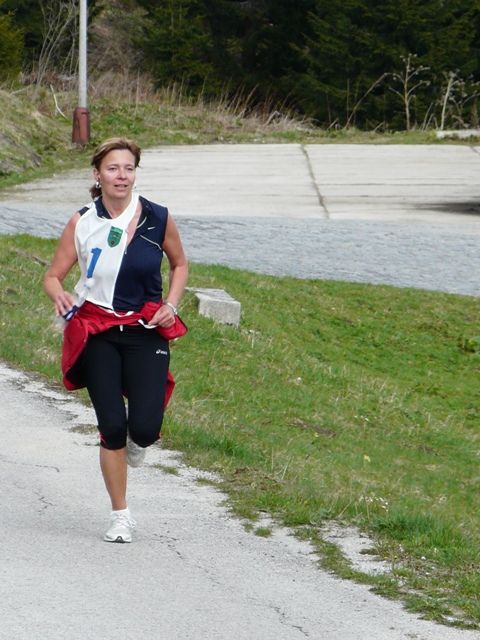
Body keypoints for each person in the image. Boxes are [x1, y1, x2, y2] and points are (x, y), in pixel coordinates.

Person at [44, 137, 188, 543]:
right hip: (98, 331)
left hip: (145, 329)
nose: (121, 176)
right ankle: (121, 515)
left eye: (128, 168)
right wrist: (58, 294)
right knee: (111, 425)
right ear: (98, 174)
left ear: (135, 173)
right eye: (112, 168)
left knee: (144, 428)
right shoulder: (83, 221)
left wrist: (171, 305)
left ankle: (138, 439)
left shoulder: (158, 218)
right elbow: (53, 275)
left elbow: (179, 264)